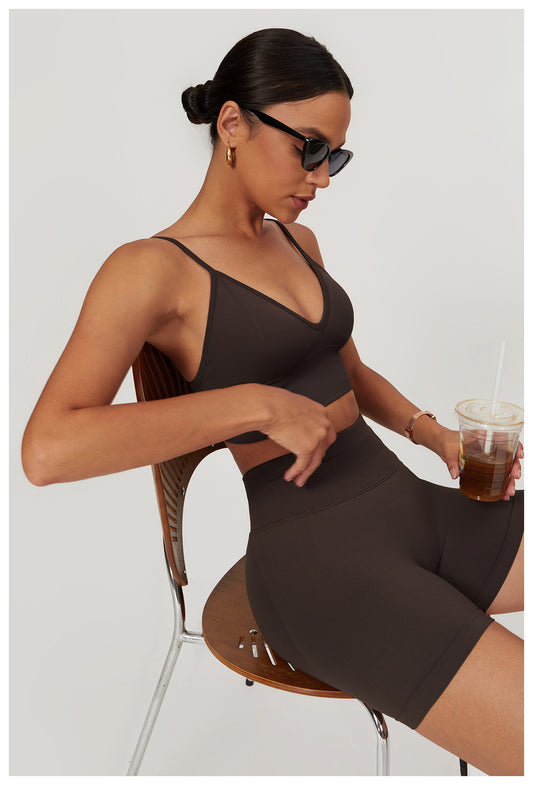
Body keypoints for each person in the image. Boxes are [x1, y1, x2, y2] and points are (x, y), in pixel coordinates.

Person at [22, 27, 523, 776]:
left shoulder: (298, 243)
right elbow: (48, 450)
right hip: (323, 566)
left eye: (335, 157)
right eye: (309, 148)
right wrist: (254, 404)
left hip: (413, 510)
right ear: (233, 124)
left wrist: (433, 436)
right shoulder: (150, 270)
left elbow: (350, 371)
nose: (322, 177)